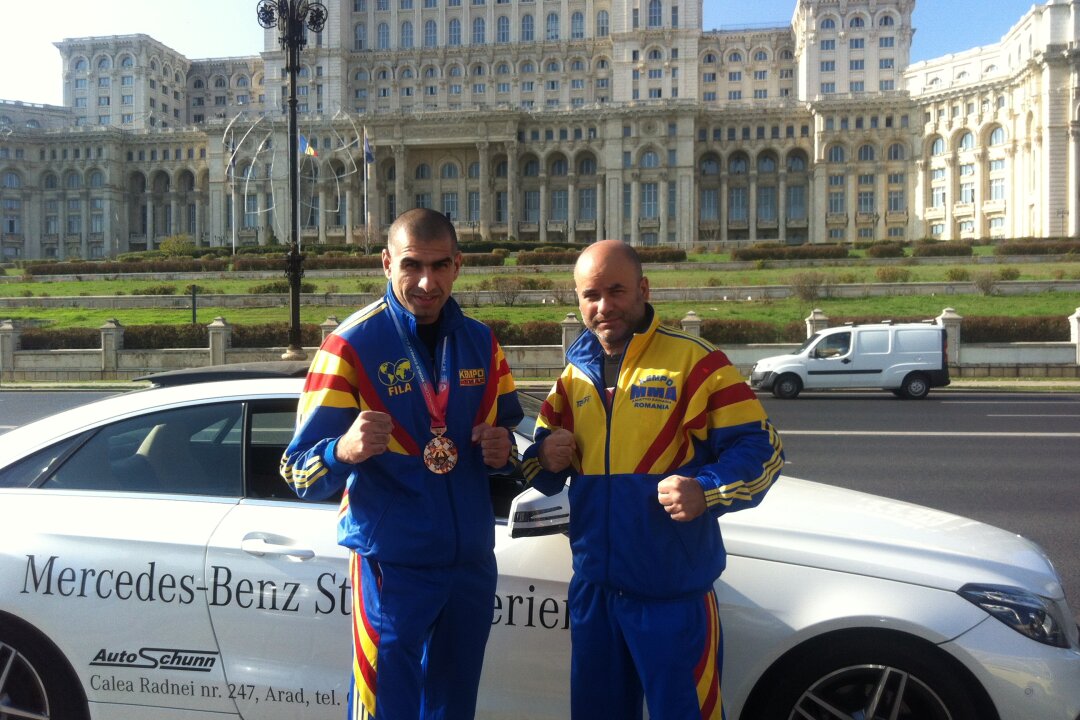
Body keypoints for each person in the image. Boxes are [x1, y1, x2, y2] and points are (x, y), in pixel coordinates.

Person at [521, 239, 784, 720]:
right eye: (591, 295)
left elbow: (763, 450)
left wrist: (706, 489)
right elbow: (537, 465)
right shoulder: (573, 376)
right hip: (595, 594)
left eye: (616, 291)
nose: (604, 307)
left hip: (672, 597)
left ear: (643, 289)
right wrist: (546, 455)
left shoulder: (696, 362)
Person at [281, 208, 523, 720]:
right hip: (391, 567)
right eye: (412, 265)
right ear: (387, 262)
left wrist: (504, 452)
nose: (427, 282)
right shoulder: (350, 346)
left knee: (453, 708)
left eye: (439, 266)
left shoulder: (482, 343)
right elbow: (297, 470)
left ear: (458, 265)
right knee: (385, 708)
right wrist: (341, 450)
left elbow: (509, 447)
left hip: (470, 565)